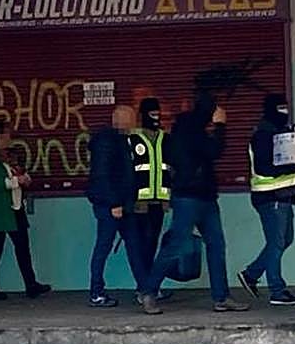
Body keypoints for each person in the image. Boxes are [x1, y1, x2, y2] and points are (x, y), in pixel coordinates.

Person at [146, 86, 248, 313]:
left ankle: (221, 297)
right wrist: (220, 125)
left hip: (198, 195)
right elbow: (214, 151)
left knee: (213, 244)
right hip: (192, 197)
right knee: (183, 244)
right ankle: (149, 291)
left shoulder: (181, 130)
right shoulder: (192, 132)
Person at [86, 104, 159, 312]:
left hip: (124, 205)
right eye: (132, 118)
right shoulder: (107, 142)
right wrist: (114, 203)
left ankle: (145, 290)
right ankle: (96, 292)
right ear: (121, 120)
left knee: (135, 246)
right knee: (104, 246)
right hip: (111, 206)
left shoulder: (122, 140)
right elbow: (103, 175)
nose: (135, 122)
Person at [238, 94, 295, 307]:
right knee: (277, 243)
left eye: (286, 107)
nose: (284, 112)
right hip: (271, 196)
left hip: (284, 196)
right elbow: (265, 168)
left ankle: (251, 274)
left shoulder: (280, 133)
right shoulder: (263, 135)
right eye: (280, 108)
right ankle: (277, 290)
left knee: (285, 240)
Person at [0, 120, 51, 301]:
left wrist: (23, 177)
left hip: (14, 208)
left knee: (23, 247)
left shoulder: (8, 157)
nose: (9, 138)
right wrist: (17, 181)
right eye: (5, 135)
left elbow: (15, 174)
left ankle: (31, 284)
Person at [128, 89, 171, 298]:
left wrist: (167, 198)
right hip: (140, 203)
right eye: (152, 113)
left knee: (153, 244)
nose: (156, 117)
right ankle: (144, 287)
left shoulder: (165, 138)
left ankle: (149, 286)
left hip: (159, 201)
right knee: (142, 245)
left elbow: (169, 170)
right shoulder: (133, 138)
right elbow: (129, 171)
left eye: (158, 113)